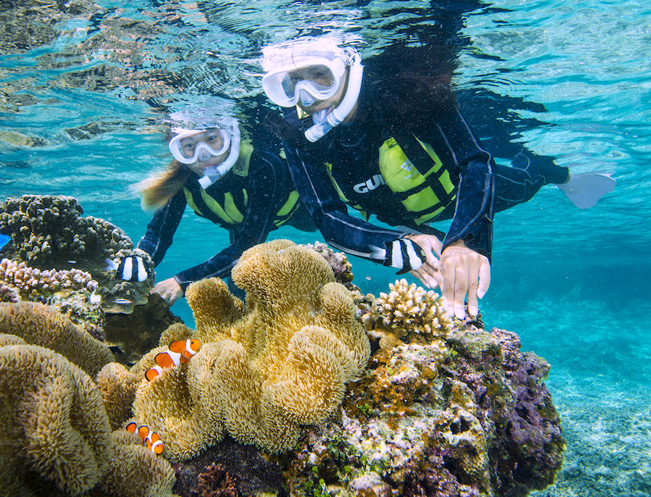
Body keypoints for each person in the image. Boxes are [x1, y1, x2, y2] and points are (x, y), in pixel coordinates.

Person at [260, 36, 615, 319]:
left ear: (348, 68)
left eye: (320, 77)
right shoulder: (298, 136)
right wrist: (395, 246)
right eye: (291, 84)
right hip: (402, 219)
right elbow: (326, 215)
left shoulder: (408, 93)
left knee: (525, 183)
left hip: (454, 194)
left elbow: (475, 164)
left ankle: (560, 175)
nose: (306, 98)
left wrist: (467, 240)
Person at [135, 103, 314, 306]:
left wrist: (182, 281)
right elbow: (159, 234)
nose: (203, 155)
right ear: (178, 151)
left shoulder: (263, 166)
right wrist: (138, 261)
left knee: (316, 229)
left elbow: (249, 243)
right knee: (238, 286)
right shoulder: (183, 179)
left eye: (212, 139)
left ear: (230, 136)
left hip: (299, 212)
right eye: (189, 146)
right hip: (240, 225)